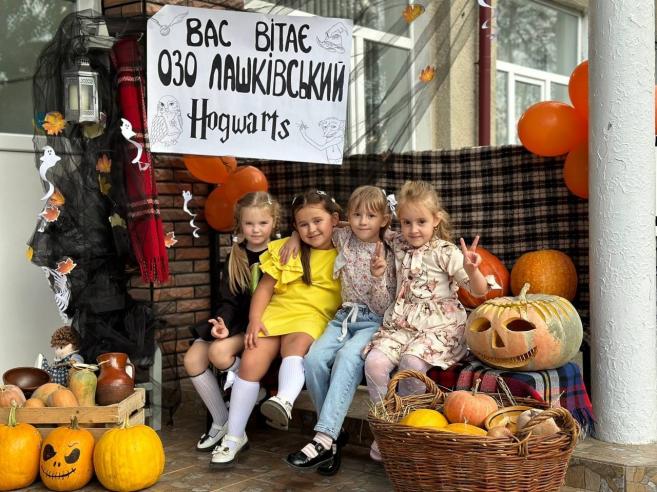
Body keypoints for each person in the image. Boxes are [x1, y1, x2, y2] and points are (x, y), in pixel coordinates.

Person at [363, 180, 496, 461]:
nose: (413, 229)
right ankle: (386, 427)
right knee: (374, 363)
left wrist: (472, 270)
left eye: (421, 222)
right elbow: (366, 226)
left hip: (438, 326)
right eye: (407, 222)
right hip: (401, 323)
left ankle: (410, 427)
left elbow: (479, 291)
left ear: (436, 219)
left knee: (411, 363)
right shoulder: (397, 243)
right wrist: (296, 238)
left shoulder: (446, 252)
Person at [210, 189, 343, 468]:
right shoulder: (288, 249)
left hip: (312, 315)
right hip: (278, 312)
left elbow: (364, 227)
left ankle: (284, 400)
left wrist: (305, 231)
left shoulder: (346, 248)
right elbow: (264, 288)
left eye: (317, 221)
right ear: (295, 226)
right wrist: (255, 319)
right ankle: (234, 436)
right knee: (251, 360)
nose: (311, 229)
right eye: (303, 225)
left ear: (334, 220)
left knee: (296, 344)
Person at [282, 186, 396, 474]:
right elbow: (322, 224)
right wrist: (295, 234)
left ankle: (323, 439)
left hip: (374, 321)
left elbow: (384, 305)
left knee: (347, 358)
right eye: (356, 215)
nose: (362, 222)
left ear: (384, 220)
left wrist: (378, 276)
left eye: (371, 216)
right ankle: (331, 437)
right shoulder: (343, 235)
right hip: (343, 318)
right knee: (313, 359)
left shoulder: (391, 248)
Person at [184, 191, 280, 452]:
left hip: (265, 324)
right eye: (249, 223)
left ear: (274, 222)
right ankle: (222, 421)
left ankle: (256, 386)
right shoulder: (235, 256)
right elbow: (228, 300)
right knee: (192, 359)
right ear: (240, 224)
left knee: (218, 353)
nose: (256, 229)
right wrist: (222, 324)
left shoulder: (281, 252)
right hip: (235, 321)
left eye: (263, 223)